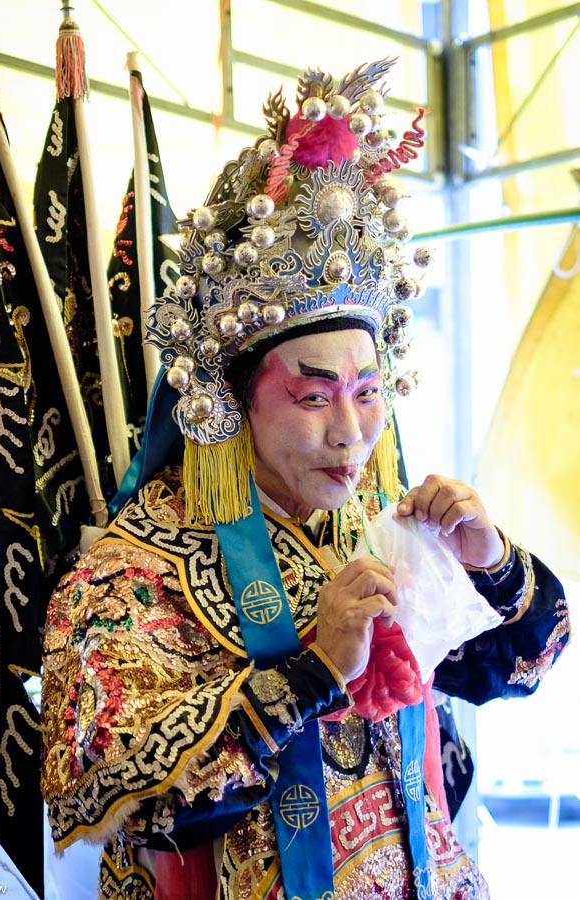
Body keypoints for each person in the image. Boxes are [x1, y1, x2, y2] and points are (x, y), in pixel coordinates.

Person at [40, 59, 570, 900]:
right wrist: (316, 668)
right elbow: (107, 792)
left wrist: (489, 562)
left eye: (367, 394)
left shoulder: (383, 527)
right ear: (231, 398)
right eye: (313, 395)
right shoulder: (134, 570)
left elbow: (516, 668)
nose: (353, 433)